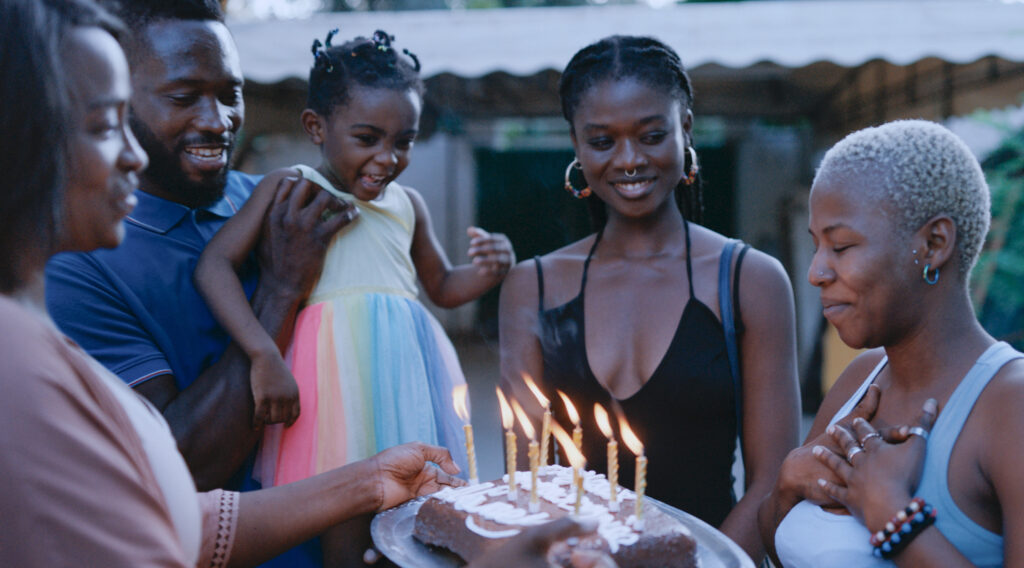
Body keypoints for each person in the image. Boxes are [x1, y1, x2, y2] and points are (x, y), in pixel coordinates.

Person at [0, 2, 617, 566]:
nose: (217, 121)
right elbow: (170, 484)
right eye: (183, 96)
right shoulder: (74, 274)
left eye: (231, 94)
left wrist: (370, 480)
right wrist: (280, 291)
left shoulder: (286, 200)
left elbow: (183, 519)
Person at [192, 28, 514, 566]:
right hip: (328, 385)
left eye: (404, 141)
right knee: (342, 512)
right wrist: (262, 354)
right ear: (316, 127)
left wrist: (490, 270)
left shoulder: (408, 204)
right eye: (368, 139)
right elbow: (214, 266)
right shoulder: (289, 188)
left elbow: (442, 287)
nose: (387, 158)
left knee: (413, 508)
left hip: (406, 380)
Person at [498, 35, 800, 564]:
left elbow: (773, 480)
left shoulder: (749, 281)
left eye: (652, 135)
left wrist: (703, 564)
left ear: (686, 127)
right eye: (602, 141)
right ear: (576, 144)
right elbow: (526, 479)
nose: (629, 159)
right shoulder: (533, 286)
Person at [758, 120, 1024, 567]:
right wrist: (787, 484)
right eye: (817, 245)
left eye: (841, 246)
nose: (816, 272)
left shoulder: (1011, 405)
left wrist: (893, 517)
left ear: (934, 243)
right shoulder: (861, 379)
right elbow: (783, 548)